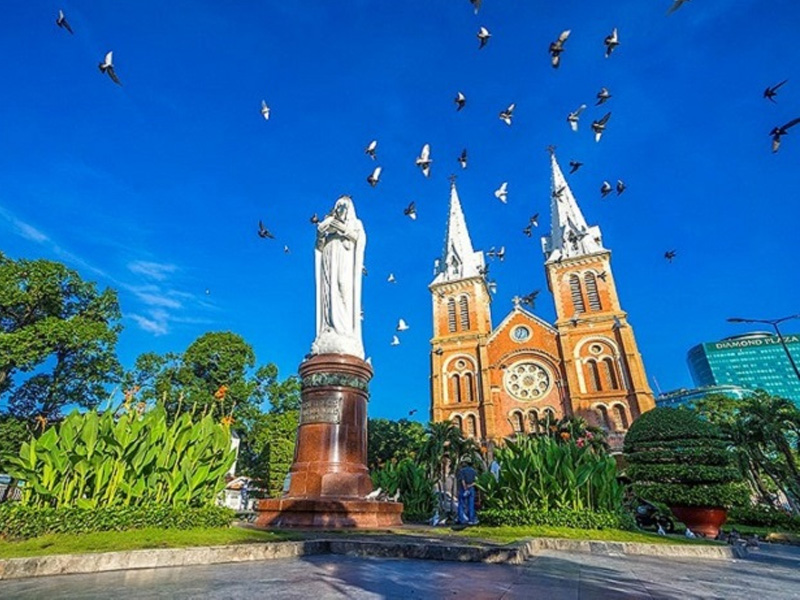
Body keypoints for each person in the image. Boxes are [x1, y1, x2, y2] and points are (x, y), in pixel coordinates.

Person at [456, 456, 478, 525]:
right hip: (471, 488)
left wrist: (465, 488)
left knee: (461, 504)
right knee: (471, 504)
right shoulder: (474, 471)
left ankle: (462, 519)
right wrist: (470, 486)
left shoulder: (462, 471)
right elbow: (476, 481)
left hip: (463, 488)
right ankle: (471, 520)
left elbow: (462, 481)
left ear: (466, 463)